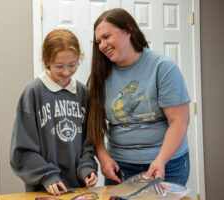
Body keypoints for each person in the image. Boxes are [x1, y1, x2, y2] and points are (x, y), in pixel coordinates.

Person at [87, 8, 191, 186]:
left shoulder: (163, 67)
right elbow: (94, 125)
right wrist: (104, 159)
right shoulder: (99, 76)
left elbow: (179, 121)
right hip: (121, 167)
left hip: (167, 163)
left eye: (107, 37)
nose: (102, 45)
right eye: (98, 41)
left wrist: (161, 160)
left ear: (128, 31)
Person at [10, 29, 98, 196]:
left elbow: (88, 142)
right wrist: (47, 175)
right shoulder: (33, 92)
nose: (66, 72)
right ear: (46, 61)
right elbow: (22, 149)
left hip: (78, 190)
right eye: (59, 66)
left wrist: (87, 169)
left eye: (72, 65)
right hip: (45, 191)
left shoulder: (83, 93)